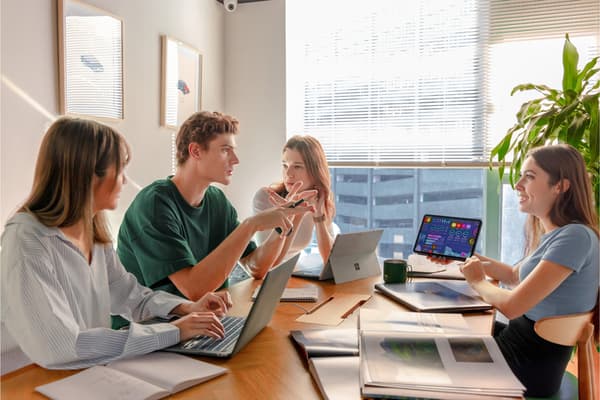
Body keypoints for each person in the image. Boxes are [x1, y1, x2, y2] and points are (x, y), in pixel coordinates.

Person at [0, 117, 232, 370]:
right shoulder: (27, 241)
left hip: (88, 370)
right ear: (88, 174)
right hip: (27, 378)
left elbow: (128, 294)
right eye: (119, 170)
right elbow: (64, 346)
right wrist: (172, 332)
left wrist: (185, 308)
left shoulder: (92, 231)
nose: (123, 180)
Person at [434, 144, 599, 397]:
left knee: (426, 354)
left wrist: (478, 281)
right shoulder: (560, 234)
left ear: (561, 186)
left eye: (530, 177)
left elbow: (513, 306)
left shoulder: (575, 237)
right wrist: (463, 258)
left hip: (528, 366)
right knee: (442, 330)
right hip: (521, 348)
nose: (518, 184)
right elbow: (513, 275)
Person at [117, 111, 312, 307]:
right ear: (196, 151)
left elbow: (256, 267)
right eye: (226, 150)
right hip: (148, 329)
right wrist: (251, 225)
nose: (235, 159)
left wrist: (283, 222)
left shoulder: (216, 200)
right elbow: (195, 290)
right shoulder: (154, 205)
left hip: (202, 320)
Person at [253, 135, 336, 266]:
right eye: (285, 165)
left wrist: (318, 216)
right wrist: (293, 213)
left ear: (315, 172)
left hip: (294, 274)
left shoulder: (317, 200)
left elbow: (331, 259)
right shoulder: (266, 197)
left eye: (297, 166)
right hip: (263, 277)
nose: (288, 173)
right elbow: (269, 263)